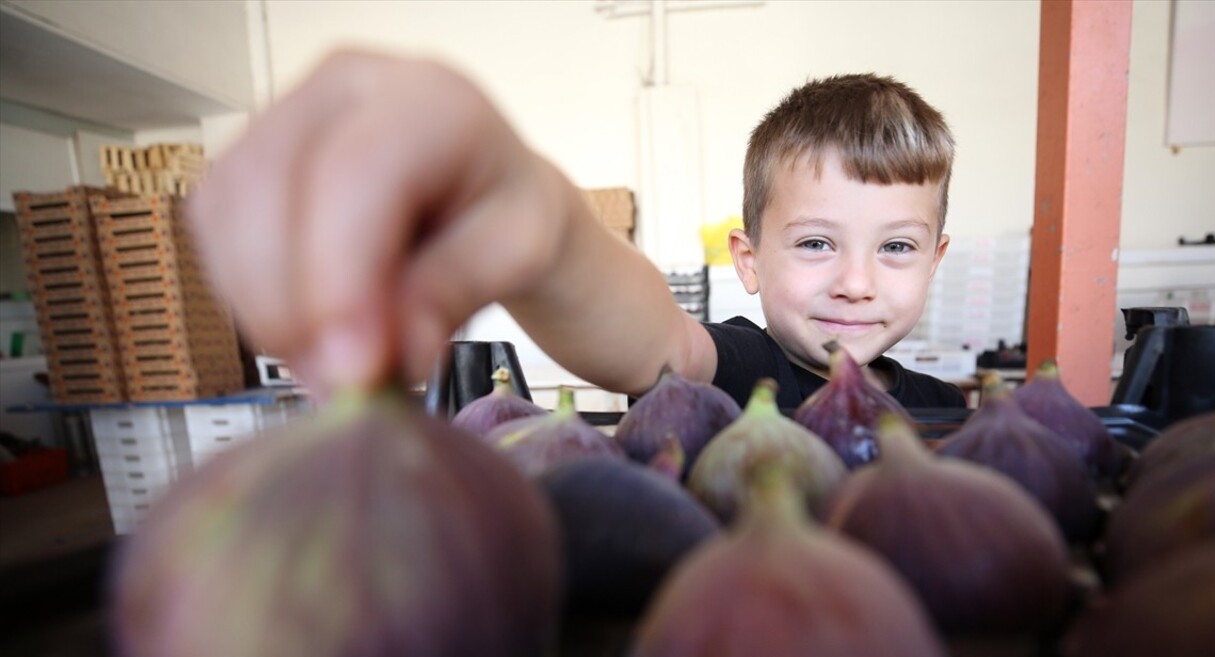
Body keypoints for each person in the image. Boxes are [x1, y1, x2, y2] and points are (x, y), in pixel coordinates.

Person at [189, 52, 967, 410]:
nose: (857, 281)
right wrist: (548, 226)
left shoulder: (949, 411)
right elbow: (654, 341)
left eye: (895, 246)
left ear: (934, 259)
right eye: (815, 242)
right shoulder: (743, 370)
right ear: (748, 259)